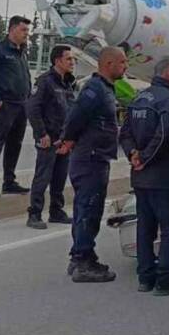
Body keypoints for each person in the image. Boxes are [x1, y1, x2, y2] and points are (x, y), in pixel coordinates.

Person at [120, 56, 169, 296]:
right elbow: (167, 132)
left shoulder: (139, 97)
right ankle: (166, 279)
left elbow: (125, 133)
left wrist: (134, 154)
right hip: (164, 177)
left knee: (145, 228)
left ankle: (146, 277)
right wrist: (145, 156)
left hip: (141, 178)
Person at [58, 46, 128, 283]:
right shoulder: (95, 89)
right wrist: (68, 139)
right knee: (89, 210)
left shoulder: (106, 88)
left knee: (86, 210)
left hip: (97, 157)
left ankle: (80, 256)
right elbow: (76, 117)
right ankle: (83, 262)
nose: (125, 67)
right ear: (109, 64)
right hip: (90, 159)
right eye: (122, 62)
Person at [0, 15, 33, 200]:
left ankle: (9, 182)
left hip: (21, 106)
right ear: (12, 30)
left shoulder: (22, 51)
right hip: (4, 106)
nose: (27, 34)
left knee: (14, 145)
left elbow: (25, 77)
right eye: (23, 30)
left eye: (27, 30)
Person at [25, 45, 76, 229]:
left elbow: (71, 110)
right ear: (57, 61)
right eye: (69, 59)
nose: (72, 62)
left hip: (63, 140)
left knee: (60, 177)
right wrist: (41, 134)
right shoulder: (45, 81)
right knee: (43, 176)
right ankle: (35, 214)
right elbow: (32, 108)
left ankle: (56, 211)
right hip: (48, 138)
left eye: (73, 59)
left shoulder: (68, 82)